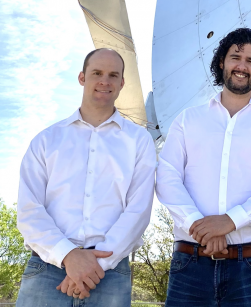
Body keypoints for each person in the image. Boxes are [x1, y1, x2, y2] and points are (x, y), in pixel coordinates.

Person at [156, 27, 251, 307]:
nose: (242, 66)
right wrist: (198, 228)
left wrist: (231, 221)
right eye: (236, 57)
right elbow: (167, 177)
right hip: (190, 263)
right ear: (222, 61)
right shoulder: (188, 120)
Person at [16, 48, 156, 306]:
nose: (105, 81)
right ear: (82, 77)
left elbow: (138, 211)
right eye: (97, 73)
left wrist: (94, 265)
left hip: (109, 272)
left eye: (113, 75)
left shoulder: (139, 141)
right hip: (47, 269)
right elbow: (29, 210)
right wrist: (68, 255)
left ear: (122, 83)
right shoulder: (47, 140)